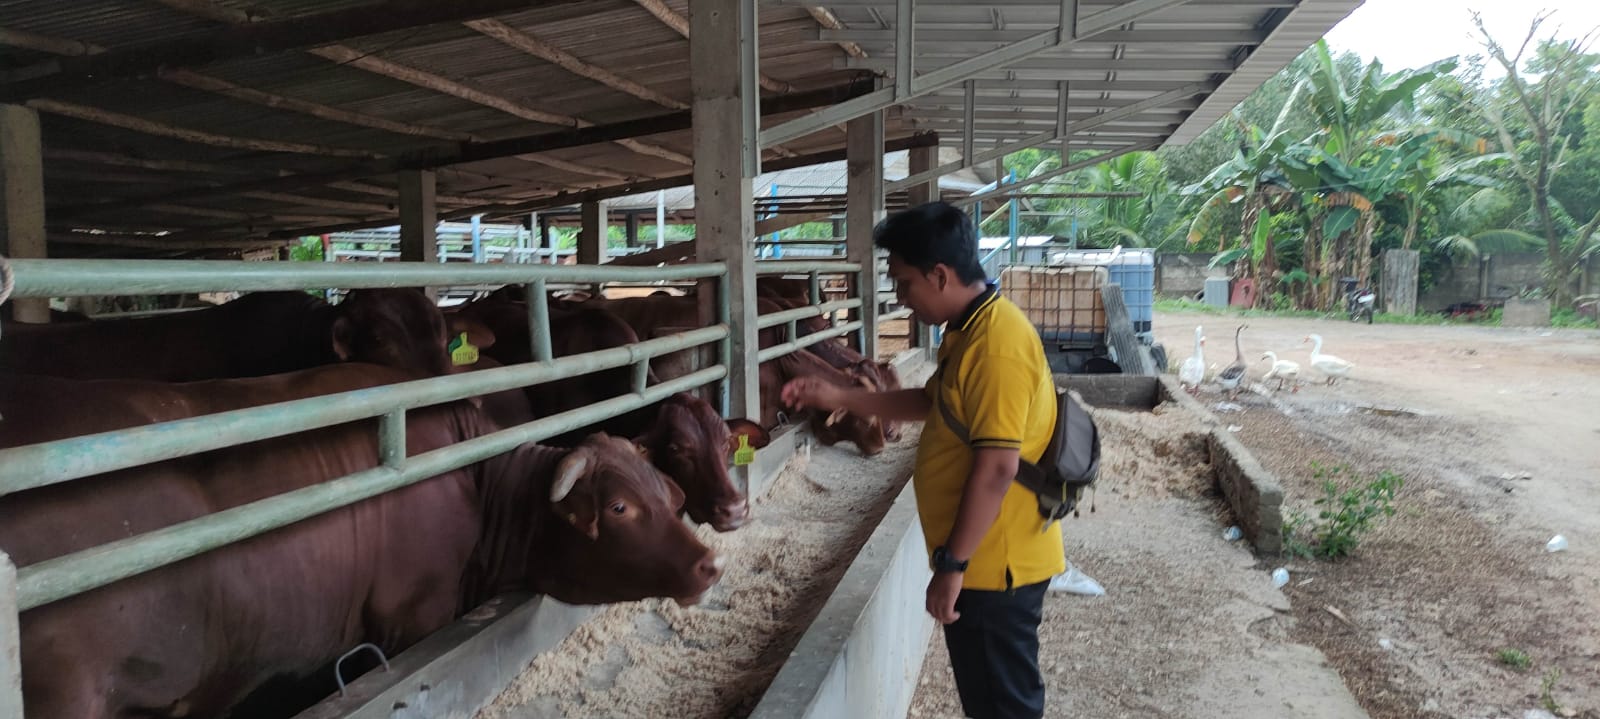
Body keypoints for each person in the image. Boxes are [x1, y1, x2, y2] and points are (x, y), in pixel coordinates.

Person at [781, 201, 1064, 719]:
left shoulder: (995, 347)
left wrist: (952, 566)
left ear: (939, 275)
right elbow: (931, 404)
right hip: (986, 556)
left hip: (993, 564)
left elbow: (997, 467)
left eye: (904, 283)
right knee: (991, 700)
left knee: (1004, 707)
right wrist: (840, 397)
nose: (900, 298)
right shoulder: (969, 330)